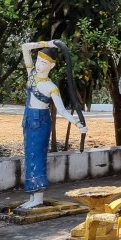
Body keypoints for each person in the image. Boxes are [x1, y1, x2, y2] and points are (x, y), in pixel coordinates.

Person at [20, 41, 87, 209]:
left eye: (43, 63)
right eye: (38, 61)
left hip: (40, 121)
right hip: (28, 119)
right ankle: (32, 196)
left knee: (37, 157)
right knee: (29, 157)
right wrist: (47, 43)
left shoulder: (51, 87)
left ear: (52, 65)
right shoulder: (32, 74)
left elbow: (62, 111)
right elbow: (25, 47)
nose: (38, 65)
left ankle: (38, 197)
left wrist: (77, 123)